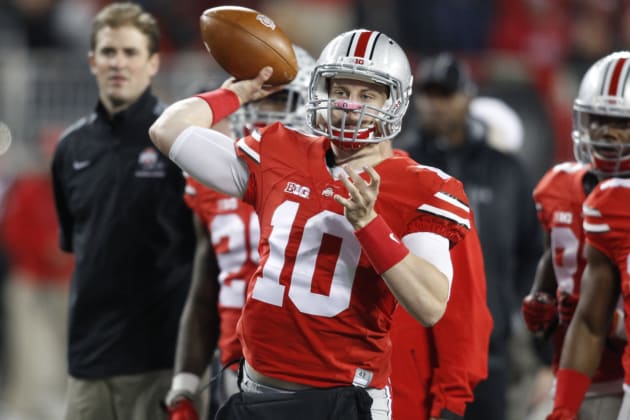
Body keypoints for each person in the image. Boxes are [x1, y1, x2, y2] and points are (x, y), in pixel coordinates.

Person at [150, 28, 472, 420]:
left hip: (342, 401)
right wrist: (238, 93)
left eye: (367, 94)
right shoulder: (281, 150)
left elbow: (430, 305)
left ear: (395, 100)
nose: (350, 106)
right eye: (341, 91)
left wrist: (369, 225)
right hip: (254, 390)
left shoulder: (420, 185)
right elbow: (167, 130)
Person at [50, 3, 195, 420]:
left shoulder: (181, 146)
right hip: (87, 364)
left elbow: (203, 250)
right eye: (109, 52)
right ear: (92, 60)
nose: (119, 63)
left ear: (153, 63)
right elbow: (78, 245)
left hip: (160, 361)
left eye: (131, 53)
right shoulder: (70, 148)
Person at [164, 45, 316, 420]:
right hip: (232, 366)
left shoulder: (328, 177)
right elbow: (205, 290)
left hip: (309, 371)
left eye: (281, 99)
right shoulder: (212, 175)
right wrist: (183, 383)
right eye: (261, 96)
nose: (268, 111)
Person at [403, 52, 542, 420]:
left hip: (490, 343)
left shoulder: (505, 169)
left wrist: (510, 303)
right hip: (417, 342)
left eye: (445, 94)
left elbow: (532, 247)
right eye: (428, 94)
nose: (435, 105)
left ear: (467, 96)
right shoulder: (403, 163)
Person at [545, 51, 630, 420]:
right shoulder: (610, 203)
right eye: (598, 120)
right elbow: (591, 321)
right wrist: (564, 406)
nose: (607, 135)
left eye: (621, 123)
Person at [0, 125, 74, 420]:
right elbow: (11, 233)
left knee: (66, 349)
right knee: (29, 348)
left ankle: (59, 403)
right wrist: (44, 250)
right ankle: (24, 406)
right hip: (29, 281)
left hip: (65, 282)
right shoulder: (28, 188)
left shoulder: (76, 192)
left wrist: (64, 251)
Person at [390, 215, 493, 420]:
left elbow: (464, 313)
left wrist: (451, 401)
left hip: (406, 397)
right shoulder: (324, 189)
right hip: (328, 383)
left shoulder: (436, 197)